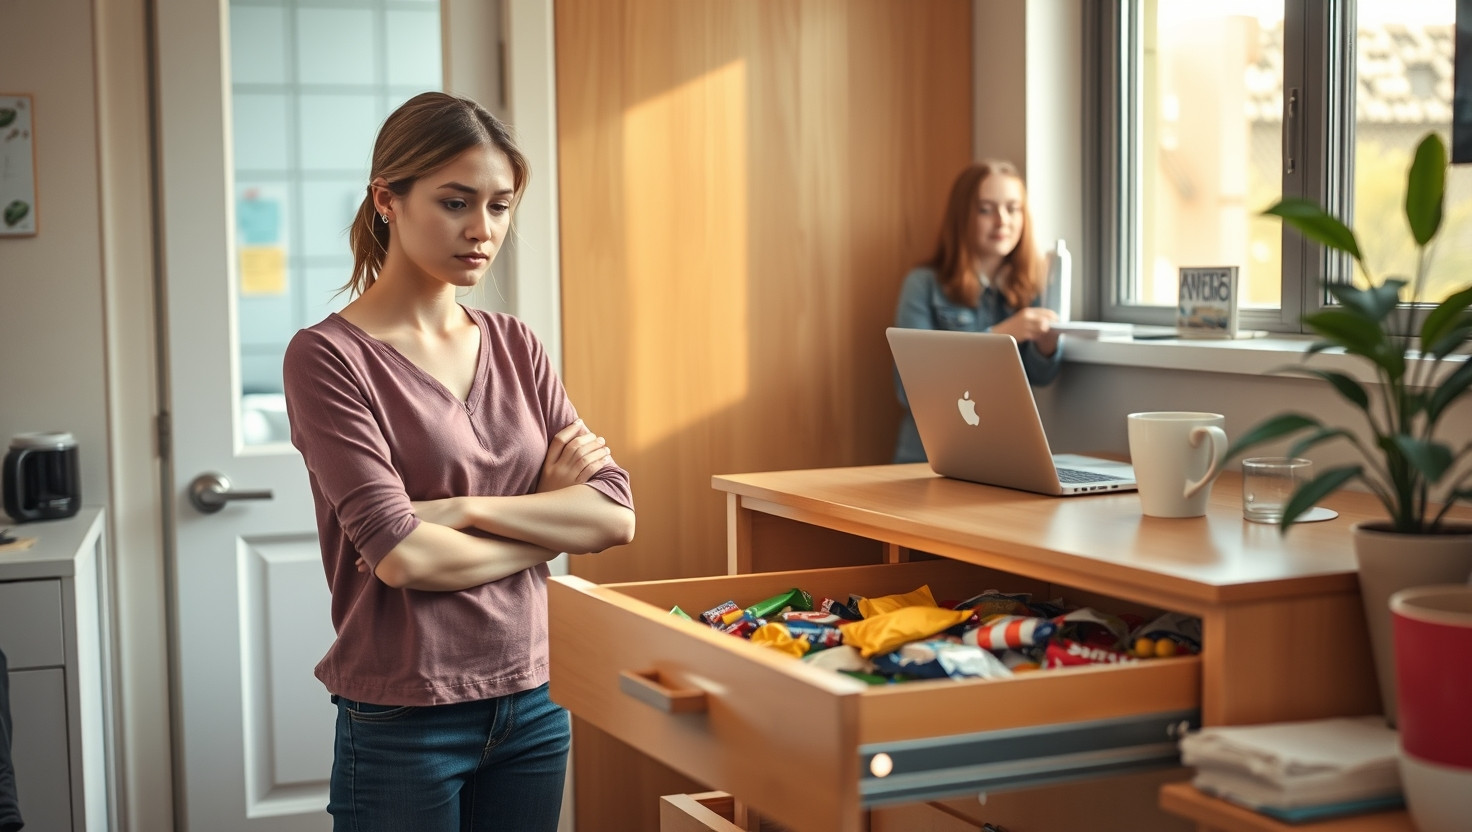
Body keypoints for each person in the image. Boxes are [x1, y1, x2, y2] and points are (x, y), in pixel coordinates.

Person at [282, 91, 635, 832]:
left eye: (500, 206)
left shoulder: (515, 343)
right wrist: (552, 520)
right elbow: (405, 560)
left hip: (536, 698)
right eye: (455, 202)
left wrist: (465, 512)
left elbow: (614, 514)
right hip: (404, 716)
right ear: (388, 199)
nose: (482, 230)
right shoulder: (327, 358)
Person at [891, 160, 1061, 463]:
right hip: (926, 458)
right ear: (962, 216)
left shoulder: (1029, 288)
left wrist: (1046, 349)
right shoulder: (923, 285)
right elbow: (910, 388)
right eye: (986, 209)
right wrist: (1002, 334)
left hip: (1001, 457)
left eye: (1013, 208)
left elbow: (1041, 377)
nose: (1002, 221)